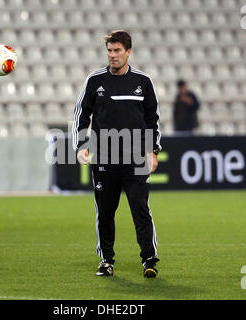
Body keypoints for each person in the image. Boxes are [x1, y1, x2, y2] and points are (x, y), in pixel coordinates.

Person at [72, 30, 161, 278]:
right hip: (104, 158)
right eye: (109, 50)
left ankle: (149, 260)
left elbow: (153, 120)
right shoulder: (94, 80)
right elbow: (80, 116)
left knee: (140, 209)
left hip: (135, 158)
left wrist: (152, 151)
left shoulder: (143, 82)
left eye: (117, 50)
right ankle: (106, 261)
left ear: (128, 51)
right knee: (105, 212)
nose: (112, 55)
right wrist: (81, 145)